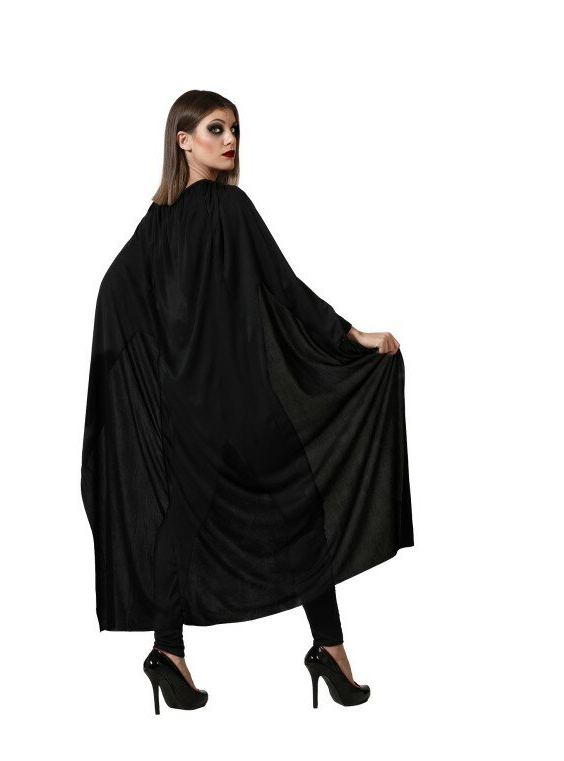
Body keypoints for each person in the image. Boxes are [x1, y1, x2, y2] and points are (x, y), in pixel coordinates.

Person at [81, 90, 413, 714]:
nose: (230, 139)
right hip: (241, 400)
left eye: (235, 128)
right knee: (303, 509)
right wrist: (351, 336)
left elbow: (114, 297)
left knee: (182, 522)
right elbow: (283, 288)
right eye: (216, 128)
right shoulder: (229, 207)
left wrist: (133, 374)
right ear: (183, 140)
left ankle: (168, 651)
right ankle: (330, 650)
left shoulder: (155, 225)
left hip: (186, 408)